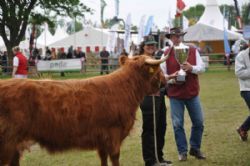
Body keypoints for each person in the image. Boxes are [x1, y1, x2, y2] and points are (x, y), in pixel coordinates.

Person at [161, 27, 206, 161]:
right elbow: (162, 75)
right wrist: (171, 78)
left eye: (179, 35)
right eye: (174, 36)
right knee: (177, 124)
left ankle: (195, 148)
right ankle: (182, 151)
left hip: (192, 93)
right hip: (175, 95)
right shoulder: (166, 54)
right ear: (170, 38)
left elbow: (202, 68)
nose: (177, 38)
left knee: (199, 122)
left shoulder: (192, 50)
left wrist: (191, 68)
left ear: (182, 36)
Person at [139, 35, 174, 166]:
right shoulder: (143, 60)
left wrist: (170, 77)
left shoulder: (153, 59)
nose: (151, 47)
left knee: (161, 127)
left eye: (153, 45)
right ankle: (150, 161)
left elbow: (160, 78)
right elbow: (153, 79)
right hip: (149, 97)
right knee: (150, 129)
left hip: (159, 96)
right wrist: (164, 79)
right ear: (143, 47)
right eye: (148, 45)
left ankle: (159, 157)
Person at [235, 40, 250, 141]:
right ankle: (243, 129)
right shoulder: (241, 55)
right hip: (247, 89)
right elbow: (239, 73)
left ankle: (243, 129)